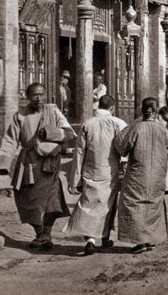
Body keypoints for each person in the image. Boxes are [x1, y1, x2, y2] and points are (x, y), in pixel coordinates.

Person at [0, 82, 75, 249]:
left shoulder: (53, 111)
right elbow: (10, 139)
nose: (38, 99)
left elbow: (69, 133)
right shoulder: (20, 116)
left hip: (49, 163)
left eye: (41, 95)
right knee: (26, 199)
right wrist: (3, 163)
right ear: (27, 97)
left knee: (51, 199)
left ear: (45, 96)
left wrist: (52, 133)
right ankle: (39, 233)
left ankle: (46, 235)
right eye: (34, 95)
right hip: (28, 163)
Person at [113, 97, 168, 254]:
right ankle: (150, 239)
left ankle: (140, 242)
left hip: (138, 174)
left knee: (134, 204)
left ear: (142, 110)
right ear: (156, 111)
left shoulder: (136, 128)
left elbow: (119, 145)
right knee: (153, 204)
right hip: (158, 174)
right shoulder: (163, 130)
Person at [64, 95, 120, 256]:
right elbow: (123, 147)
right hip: (109, 170)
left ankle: (90, 240)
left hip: (90, 169)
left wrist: (75, 179)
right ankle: (105, 238)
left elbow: (79, 152)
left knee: (89, 204)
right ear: (112, 108)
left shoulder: (87, 124)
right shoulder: (117, 123)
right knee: (107, 205)